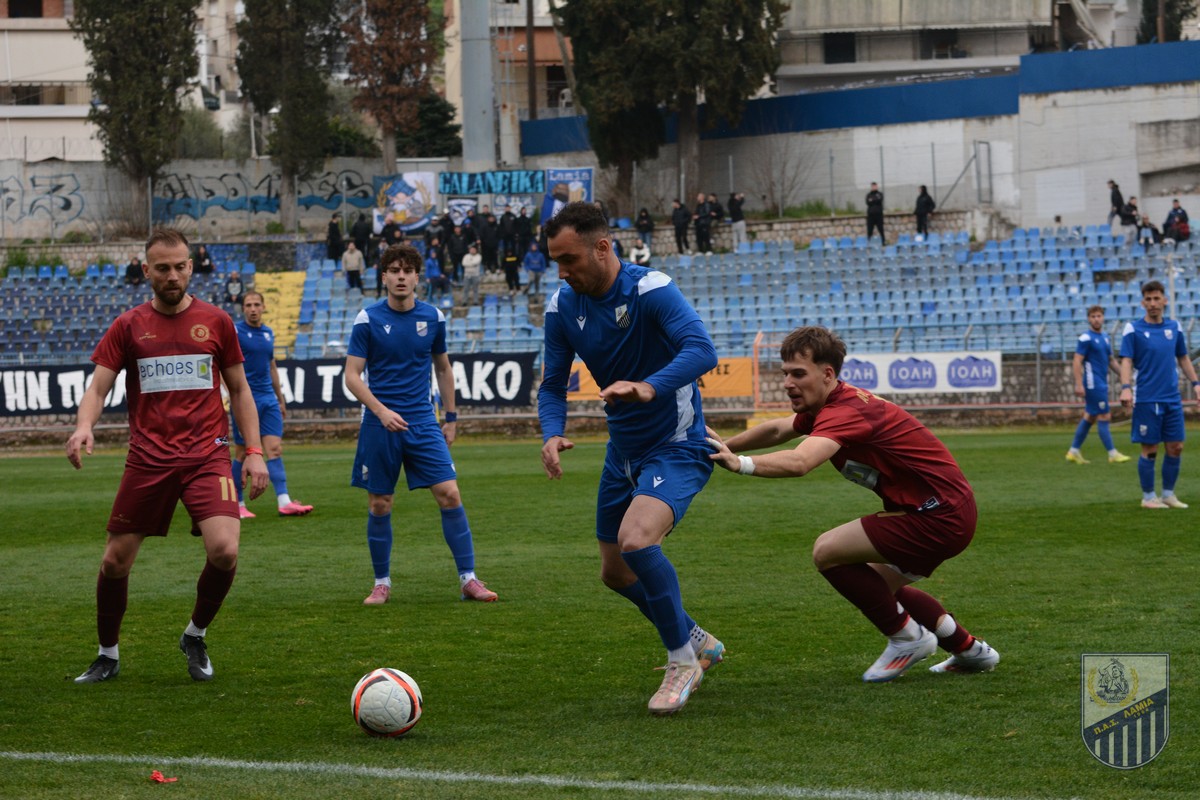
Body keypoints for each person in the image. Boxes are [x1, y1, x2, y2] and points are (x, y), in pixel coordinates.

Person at [706, 326, 998, 683]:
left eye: (798, 374)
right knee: (879, 586)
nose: (787, 383)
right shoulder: (830, 404)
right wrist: (727, 446)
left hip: (936, 514)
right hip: (943, 511)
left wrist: (739, 464)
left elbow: (801, 462)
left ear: (827, 374)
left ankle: (907, 639)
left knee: (827, 550)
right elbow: (780, 430)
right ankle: (969, 650)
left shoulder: (845, 411)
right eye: (784, 373)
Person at [539, 201, 724, 715]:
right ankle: (695, 638)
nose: (563, 271)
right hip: (621, 451)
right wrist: (552, 433)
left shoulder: (651, 289)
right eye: (556, 260)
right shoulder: (562, 305)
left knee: (637, 541)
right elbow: (553, 384)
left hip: (679, 444)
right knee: (615, 573)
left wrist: (649, 386)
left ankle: (683, 661)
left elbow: (701, 349)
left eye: (570, 258)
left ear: (603, 247)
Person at [67, 228, 269, 684]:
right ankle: (107, 655)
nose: (173, 275)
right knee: (115, 561)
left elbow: (239, 389)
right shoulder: (128, 325)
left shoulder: (217, 322)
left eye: (180, 266)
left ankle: (194, 635)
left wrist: (253, 452)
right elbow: (98, 387)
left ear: (191, 268)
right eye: (163, 268)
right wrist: (84, 426)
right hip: (149, 459)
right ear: (147, 271)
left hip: (208, 456)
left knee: (225, 549)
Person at [344, 243, 498, 605]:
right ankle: (381, 583)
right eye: (393, 270)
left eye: (407, 270)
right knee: (380, 504)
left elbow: (443, 367)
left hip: (423, 422)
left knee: (450, 494)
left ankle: (469, 580)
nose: (401, 276)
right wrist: (381, 411)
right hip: (379, 425)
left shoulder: (433, 317)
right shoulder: (368, 318)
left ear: (417, 277)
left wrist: (452, 416)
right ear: (383, 276)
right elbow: (352, 376)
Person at [230, 290, 315, 519]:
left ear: (264, 307)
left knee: (275, 449)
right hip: (246, 400)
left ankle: (284, 501)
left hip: (268, 399)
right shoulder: (235, 332)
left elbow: (272, 367)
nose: (253, 309)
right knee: (242, 453)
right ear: (243, 308)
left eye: (257, 304)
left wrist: (280, 399)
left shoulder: (268, 333)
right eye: (249, 305)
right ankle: (236, 504)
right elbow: (222, 365)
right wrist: (225, 395)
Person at [1118, 280, 1200, 509]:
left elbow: (1183, 357)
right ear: (1143, 302)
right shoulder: (1133, 329)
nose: (1153, 303)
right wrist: (1125, 387)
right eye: (1148, 299)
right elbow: (1126, 360)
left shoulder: (1174, 328)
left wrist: (1196, 383)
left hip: (1172, 398)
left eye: (1157, 299)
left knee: (1176, 446)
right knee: (1150, 448)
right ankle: (1148, 497)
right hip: (1146, 397)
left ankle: (1168, 494)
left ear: (1165, 300)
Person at [1066, 306, 1130, 465]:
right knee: (1104, 415)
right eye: (1093, 316)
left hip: (1101, 382)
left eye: (1099, 316)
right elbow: (1077, 361)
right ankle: (1112, 453)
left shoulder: (1105, 337)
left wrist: (1124, 376)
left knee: (1090, 416)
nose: (1096, 319)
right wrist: (1079, 384)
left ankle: (1073, 451)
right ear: (1088, 318)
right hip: (1092, 383)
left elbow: (1111, 361)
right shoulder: (1085, 338)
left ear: (1103, 318)